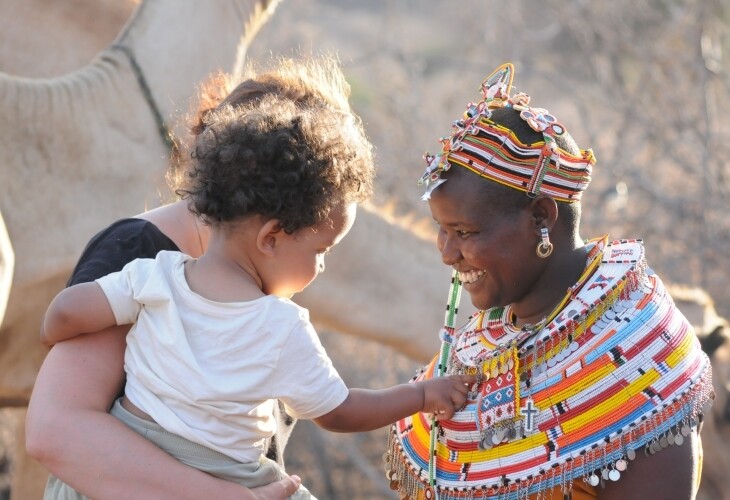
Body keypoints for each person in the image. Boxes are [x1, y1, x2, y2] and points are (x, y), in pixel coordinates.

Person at [36, 55, 476, 500]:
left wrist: (51, 328)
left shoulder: (155, 276)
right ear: (274, 231)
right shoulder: (140, 253)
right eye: (320, 251)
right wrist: (420, 397)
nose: (320, 268)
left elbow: (65, 315)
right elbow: (55, 431)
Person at [383, 63, 714, 499]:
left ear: (541, 217)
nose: (446, 253)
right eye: (441, 230)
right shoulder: (484, 343)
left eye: (464, 233)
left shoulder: (637, 351)